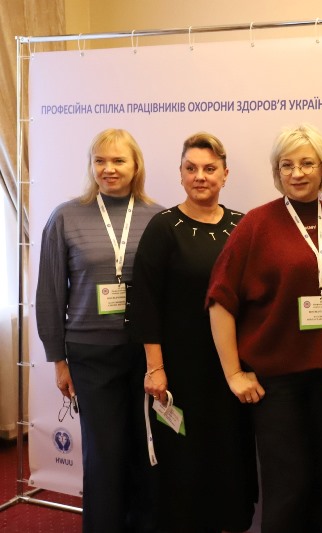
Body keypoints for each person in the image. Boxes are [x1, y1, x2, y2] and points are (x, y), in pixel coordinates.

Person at [206, 124, 322, 533]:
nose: (297, 173)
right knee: (288, 489)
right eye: (287, 165)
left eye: (307, 163)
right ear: (277, 171)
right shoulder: (257, 223)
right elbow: (220, 299)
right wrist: (234, 373)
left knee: (321, 486)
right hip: (275, 384)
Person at [36, 128, 162, 532]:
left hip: (145, 354)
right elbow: (50, 293)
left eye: (118, 160)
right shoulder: (66, 217)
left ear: (136, 165)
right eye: (100, 160)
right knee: (104, 455)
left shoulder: (158, 218)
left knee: (146, 453)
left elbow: (165, 292)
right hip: (90, 355)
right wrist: (58, 360)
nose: (109, 169)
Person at [129, 132, 257, 532]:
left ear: (225, 175)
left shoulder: (244, 225)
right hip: (179, 373)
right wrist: (155, 368)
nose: (200, 176)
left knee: (229, 455)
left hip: (230, 368)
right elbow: (145, 302)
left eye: (209, 168)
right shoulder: (163, 227)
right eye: (191, 168)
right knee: (184, 461)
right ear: (181, 174)